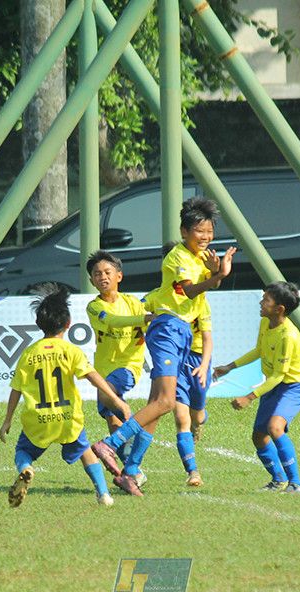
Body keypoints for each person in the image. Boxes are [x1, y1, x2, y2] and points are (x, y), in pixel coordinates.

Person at [90, 197, 236, 495]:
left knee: (157, 408)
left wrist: (215, 272)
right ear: (184, 232)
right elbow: (190, 289)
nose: (205, 236)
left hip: (180, 333)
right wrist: (217, 275)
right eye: (199, 230)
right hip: (168, 327)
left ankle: (130, 471)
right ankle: (109, 444)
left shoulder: (200, 257)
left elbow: (207, 288)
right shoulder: (178, 258)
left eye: (209, 231)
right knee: (167, 403)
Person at [0, 283, 131, 507]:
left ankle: (26, 469)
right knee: (85, 451)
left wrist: (8, 420)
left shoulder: (29, 353)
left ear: (39, 324)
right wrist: (117, 400)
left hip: (38, 419)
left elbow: (16, 389)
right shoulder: (71, 351)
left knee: (23, 450)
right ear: (68, 324)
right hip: (68, 418)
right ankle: (104, 494)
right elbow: (93, 376)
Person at [213, 281, 300, 494]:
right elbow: (259, 350)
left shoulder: (288, 335)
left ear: (280, 309)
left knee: (275, 428)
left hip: (294, 386)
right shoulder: (266, 322)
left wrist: (249, 397)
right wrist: (229, 367)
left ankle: (296, 483)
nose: (261, 302)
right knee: (259, 436)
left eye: (266, 300)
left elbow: (279, 375)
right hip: (274, 384)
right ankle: (278, 480)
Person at [84, 250, 153, 484]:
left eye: (107, 272)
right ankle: (134, 472)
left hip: (128, 367)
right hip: (103, 369)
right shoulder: (93, 307)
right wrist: (145, 319)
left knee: (111, 397)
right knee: (114, 423)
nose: (103, 277)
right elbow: (113, 322)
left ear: (119, 276)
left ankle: (132, 419)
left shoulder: (134, 303)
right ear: (92, 281)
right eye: (97, 274)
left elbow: (150, 327)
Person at [143, 256, 211, 487]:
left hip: (198, 361)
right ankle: (193, 472)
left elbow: (208, 338)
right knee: (180, 418)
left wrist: (204, 365)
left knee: (197, 414)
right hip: (175, 360)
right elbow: (137, 310)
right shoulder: (157, 295)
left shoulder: (199, 300)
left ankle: (199, 421)